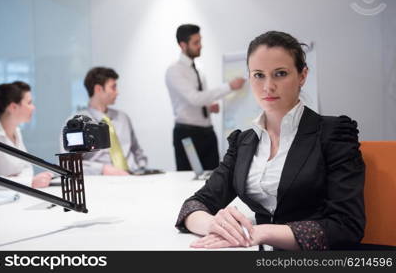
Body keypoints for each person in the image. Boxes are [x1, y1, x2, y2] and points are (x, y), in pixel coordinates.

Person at [175, 31, 365, 250]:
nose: (268, 86)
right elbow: (193, 205)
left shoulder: (334, 133)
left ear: (302, 76)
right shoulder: (243, 142)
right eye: (258, 75)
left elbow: (347, 225)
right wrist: (215, 224)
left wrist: (262, 232)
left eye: (280, 73)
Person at [166, 24, 246, 171]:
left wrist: (208, 107)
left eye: (200, 41)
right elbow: (195, 98)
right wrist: (229, 86)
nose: (200, 46)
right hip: (187, 134)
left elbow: (198, 99)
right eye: (196, 43)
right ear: (183, 45)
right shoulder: (174, 71)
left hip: (208, 133)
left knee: (213, 178)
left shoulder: (199, 69)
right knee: (187, 179)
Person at [60, 67, 147, 176]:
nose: (117, 92)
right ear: (98, 89)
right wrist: (102, 169)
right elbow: (69, 163)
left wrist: (142, 168)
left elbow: (137, 151)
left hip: (134, 177)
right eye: (113, 87)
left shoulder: (123, 118)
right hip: (101, 181)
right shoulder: (74, 124)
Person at [0, 81, 53, 189]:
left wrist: (14, 179)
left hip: (16, 196)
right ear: (13, 107)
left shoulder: (17, 131)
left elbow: (27, 168)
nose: (33, 107)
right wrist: (28, 182)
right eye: (29, 103)